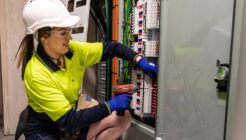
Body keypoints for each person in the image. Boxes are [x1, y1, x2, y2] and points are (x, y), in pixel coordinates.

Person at [16, 0, 158, 140]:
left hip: (71, 113)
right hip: (47, 128)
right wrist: (110, 106)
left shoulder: (73, 51)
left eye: (69, 31)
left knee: (123, 118)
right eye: (63, 33)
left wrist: (138, 59)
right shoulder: (36, 73)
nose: (69, 37)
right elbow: (68, 120)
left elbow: (112, 48)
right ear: (44, 37)